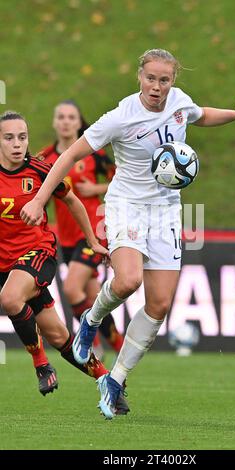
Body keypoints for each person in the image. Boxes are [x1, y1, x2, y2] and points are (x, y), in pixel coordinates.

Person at [21, 48, 235, 419]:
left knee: (159, 304)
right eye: (151, 78)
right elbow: (67, 157)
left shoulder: (178, 102)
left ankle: (116, 379)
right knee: (127, 281)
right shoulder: (120, 117)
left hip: (166, 212)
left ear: (173, 80)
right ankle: (91, 321)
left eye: (164, 80)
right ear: (139, 77)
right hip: (126, 205)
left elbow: (202, 115)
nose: (157, 87)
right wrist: (38, 200)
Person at [0, 110, 129, 413]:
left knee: (9, 297)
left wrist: (94, 241)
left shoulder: (40, 170)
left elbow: (73, 201)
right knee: (58, 334)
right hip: (6, 265)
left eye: (22, 137)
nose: (17, 144)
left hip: (38, 252)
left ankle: (42, 366)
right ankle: (106, 379)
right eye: (9, 138)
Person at [38, 100, 124, 356]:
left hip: (94, 233)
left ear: (78, 122)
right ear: (55, 122)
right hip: (65, 236)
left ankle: (91, 342)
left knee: (71, 288)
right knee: (93, 296)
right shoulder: (46, 158)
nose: (65, 121)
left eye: (71, 117)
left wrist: (96, 189)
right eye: (61, 117)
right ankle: (119, 346)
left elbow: (121, 178)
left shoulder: (93, 154)